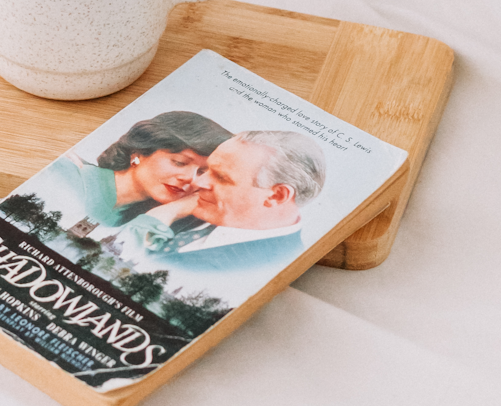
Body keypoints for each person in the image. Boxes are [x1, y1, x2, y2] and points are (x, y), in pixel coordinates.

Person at [109, 130, 327, 298]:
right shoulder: (206, 211)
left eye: (221, 177)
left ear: (277, 196)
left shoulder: (260, 268)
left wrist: (160, 216)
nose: (197, 181)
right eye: (207, 170)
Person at [45, 111, 232, 232]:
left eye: (202, 173)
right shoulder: (64, 176)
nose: (189, 179)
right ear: (140, 152)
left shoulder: (141, 222)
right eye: (180, 162)